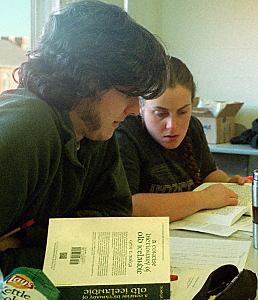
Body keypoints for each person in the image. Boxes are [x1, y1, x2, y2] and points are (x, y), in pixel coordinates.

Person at [0, 0, 168, 276]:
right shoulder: (26, 130)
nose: (135, 110)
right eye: (128, 94)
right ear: (88, 79)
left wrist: (23, 242)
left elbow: (115, 220)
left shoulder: (94, 130)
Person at [116, 56, 248, 222]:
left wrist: (228, 182)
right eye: (160, 114)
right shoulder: (124, 135)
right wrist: (204, 198)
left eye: (183, 112)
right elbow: (130, 207)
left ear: (192, 105)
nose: (172, 125)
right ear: (140, 107)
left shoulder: (193, 126)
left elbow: (208, 174)